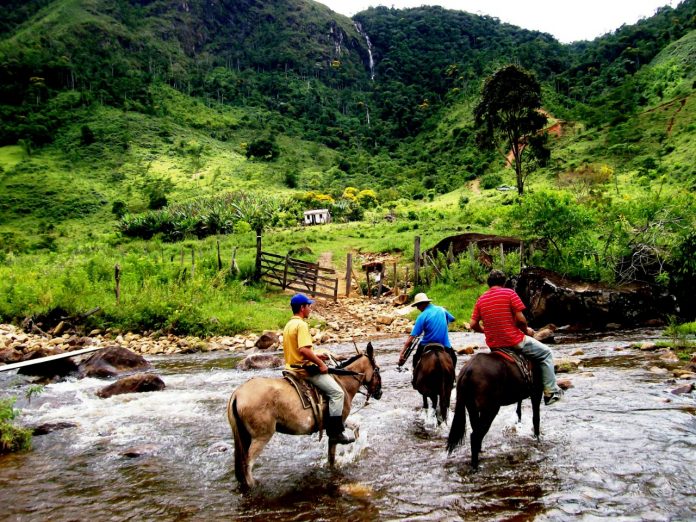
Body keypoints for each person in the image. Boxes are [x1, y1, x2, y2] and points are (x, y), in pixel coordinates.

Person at [471, 269, 564, 405]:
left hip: (494, 345)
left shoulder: (481, 299)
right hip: (513, 341)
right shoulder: (509, 293)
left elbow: (473, 324)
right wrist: (526, 331)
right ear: (503, 282)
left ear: (488, 284)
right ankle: (551, 391)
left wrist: (485, 331)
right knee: (546, 353)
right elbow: (521, 320)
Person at [282, 293, 354, 444]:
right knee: (338, 393)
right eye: (309, 306)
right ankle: (335, 432)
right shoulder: (301, 325)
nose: (310, 309)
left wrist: (315, 356)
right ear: (302, 308)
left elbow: (298, 351)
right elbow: (303, 350)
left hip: (291, 367)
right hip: (303, 371)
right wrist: (320, 364)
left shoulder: (289, 324)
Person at [398, 292, 457, 372]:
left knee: (416, 359)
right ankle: (453, 380)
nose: (417, 308)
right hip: (444, 344)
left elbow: (412, 337)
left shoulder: (422, 316)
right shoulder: (442, 309)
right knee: (454, 359)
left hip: (426, 344)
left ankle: (415, 379)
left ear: (422, 304)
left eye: (417, 306)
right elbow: (453, 319)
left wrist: (402, 352)